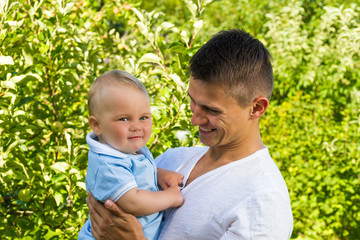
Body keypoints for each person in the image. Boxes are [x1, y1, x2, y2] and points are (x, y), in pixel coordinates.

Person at [86, 29, 293, 239]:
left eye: (211, 110)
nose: (195, 119)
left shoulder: (262, 201)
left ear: (256, 108)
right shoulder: (172, 159)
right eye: (193, 101)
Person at [78, 70, 184, 240]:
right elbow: (133, 201)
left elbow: (135, 174)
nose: (136, 126)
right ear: (96, 125)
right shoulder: (107, 164)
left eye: (143, 117)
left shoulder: (124, 151)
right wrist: (170, 197)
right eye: (124, 119)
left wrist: (158, 174)